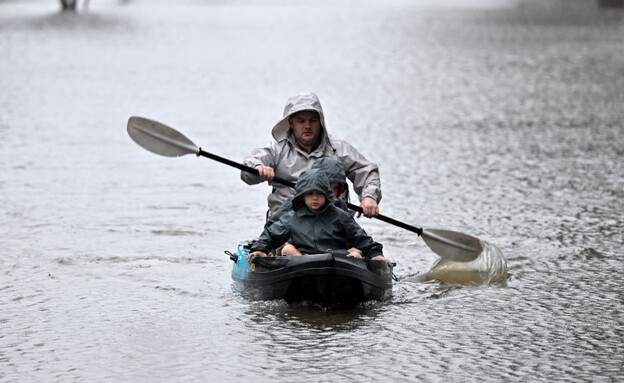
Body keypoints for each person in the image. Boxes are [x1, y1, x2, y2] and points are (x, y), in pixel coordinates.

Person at [241, 92, 381, 219]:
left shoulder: (338, 148)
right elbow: (247, 172)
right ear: (291, 123)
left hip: (332, 223)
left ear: (321, 122)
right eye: (301, 121)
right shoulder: (275, 150)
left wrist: (369, 197)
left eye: (312, 120)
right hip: (286, 223)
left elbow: (366, 171)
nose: (307, 126)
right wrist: (258, 167)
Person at [247, 168, 391, 265]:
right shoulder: (291, 217)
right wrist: (260, 249)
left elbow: (361, 238)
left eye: (319, 194)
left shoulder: (339, 216)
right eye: (310, 194)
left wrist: (375, 254)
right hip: (303, 261)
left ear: (326, 195)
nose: (314, 198)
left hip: (336, 262)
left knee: (356, 256)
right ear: (302, 196)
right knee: (287, 251)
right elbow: (271, 235)